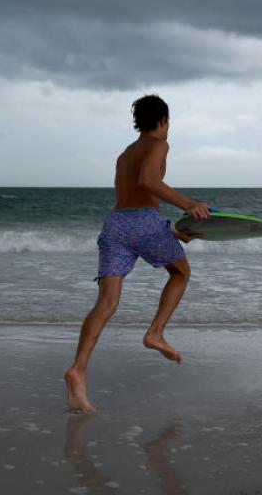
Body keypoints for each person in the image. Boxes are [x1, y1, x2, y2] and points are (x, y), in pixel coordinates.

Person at [63, 94, 210, 414]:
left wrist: (170, 232)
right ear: (163, 121)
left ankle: (78, 370)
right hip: (142, 222)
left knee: (106, 303)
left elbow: (134, 206)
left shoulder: (125, 154)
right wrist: (189, 205)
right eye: (168, 122)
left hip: (115, 225)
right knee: (181, 273)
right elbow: (149, 183)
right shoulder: (158, 143)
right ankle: (155, 333)